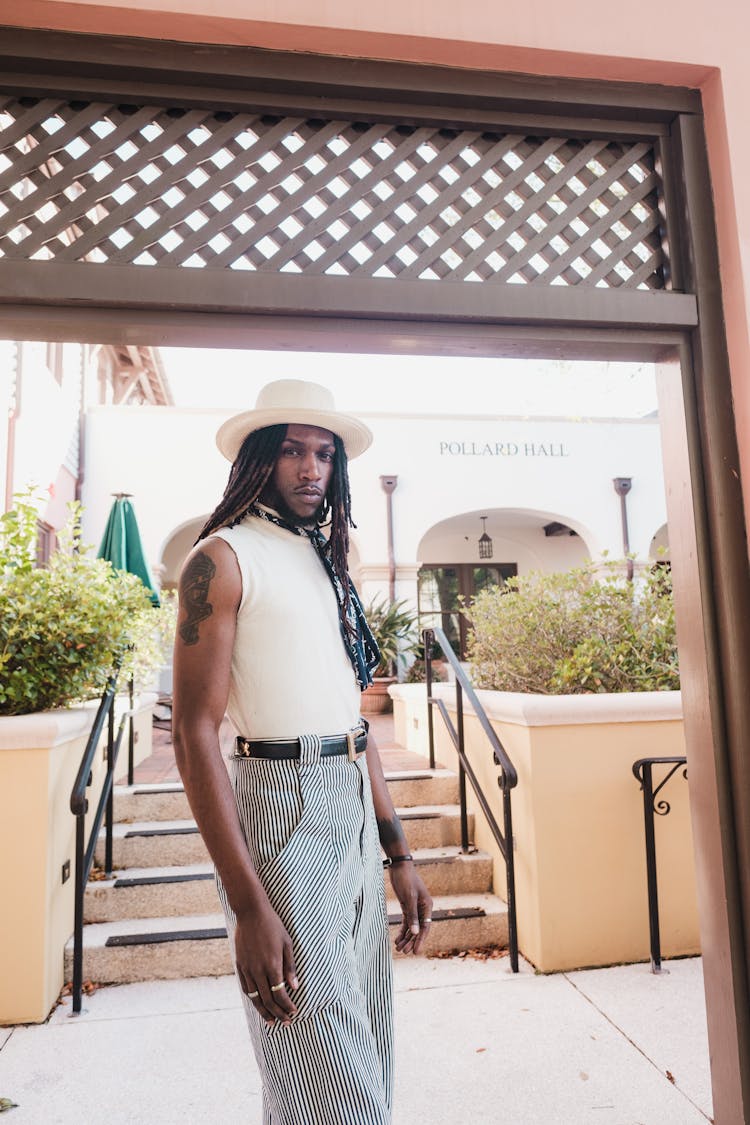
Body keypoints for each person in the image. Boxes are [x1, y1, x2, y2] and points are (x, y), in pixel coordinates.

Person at [172, 378, 432, 1125]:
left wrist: (400, 855)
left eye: (323, 453)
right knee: (330, 1077)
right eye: (291, 450)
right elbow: (194, 735)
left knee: (351, 1060)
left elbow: (354, 721)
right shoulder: (220, 560)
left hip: (348, 800)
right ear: (260, 456)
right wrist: (248, 906)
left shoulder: (326, 559)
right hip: (282, 808)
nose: (311, 468)